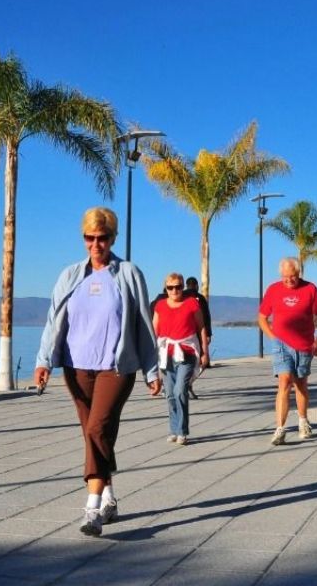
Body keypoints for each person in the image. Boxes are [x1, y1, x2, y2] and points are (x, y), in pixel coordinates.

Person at [35, 207, 161, 537]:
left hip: (116, 368)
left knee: (96, 428)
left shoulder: (129, 274)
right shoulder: (70, 276)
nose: (96, 244)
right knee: (96, 434)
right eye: (90, 238)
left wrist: (152, 369)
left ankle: (91, 510)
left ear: (113, 238)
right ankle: (108, 496)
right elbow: (53, 321)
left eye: (102, 238)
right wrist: (44, 360)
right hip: (76, 368)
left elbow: (144, 326)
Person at [257, 257, 317, 445]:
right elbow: (262, 318)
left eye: (293, 277)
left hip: (305, 345)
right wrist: (273, 337)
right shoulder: (273, 289)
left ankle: (303, 421)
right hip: (281, 344)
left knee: (301, 384)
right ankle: (280, 428)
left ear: (299, 274)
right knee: (284, 381)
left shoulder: (310, 289)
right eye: (285, 277)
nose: (289, 280)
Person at [153, 272, 210, 445]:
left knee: (180, 391)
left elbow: (201, 327)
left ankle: (183, 431)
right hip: (167, 355)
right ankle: (174, 429)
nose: (174, 290)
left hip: (186, 353)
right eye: (170, 287)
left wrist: (204, 352)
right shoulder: (160, 305)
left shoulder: (192, 303)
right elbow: (154, 330)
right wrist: (149, 355)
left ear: (183, 286)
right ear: (166, 289)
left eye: (178, 286)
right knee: (170, 394)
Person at [182, 276, 212, 399]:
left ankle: (185, 385)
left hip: (183, 333)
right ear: (197, 285)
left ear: (186, 285)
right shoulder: (201, 299)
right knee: (200, 362)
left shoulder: (181, 296)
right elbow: (206, 317)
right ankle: (187, 384)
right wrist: (208, 334)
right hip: (198, 334)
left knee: (183, 361)